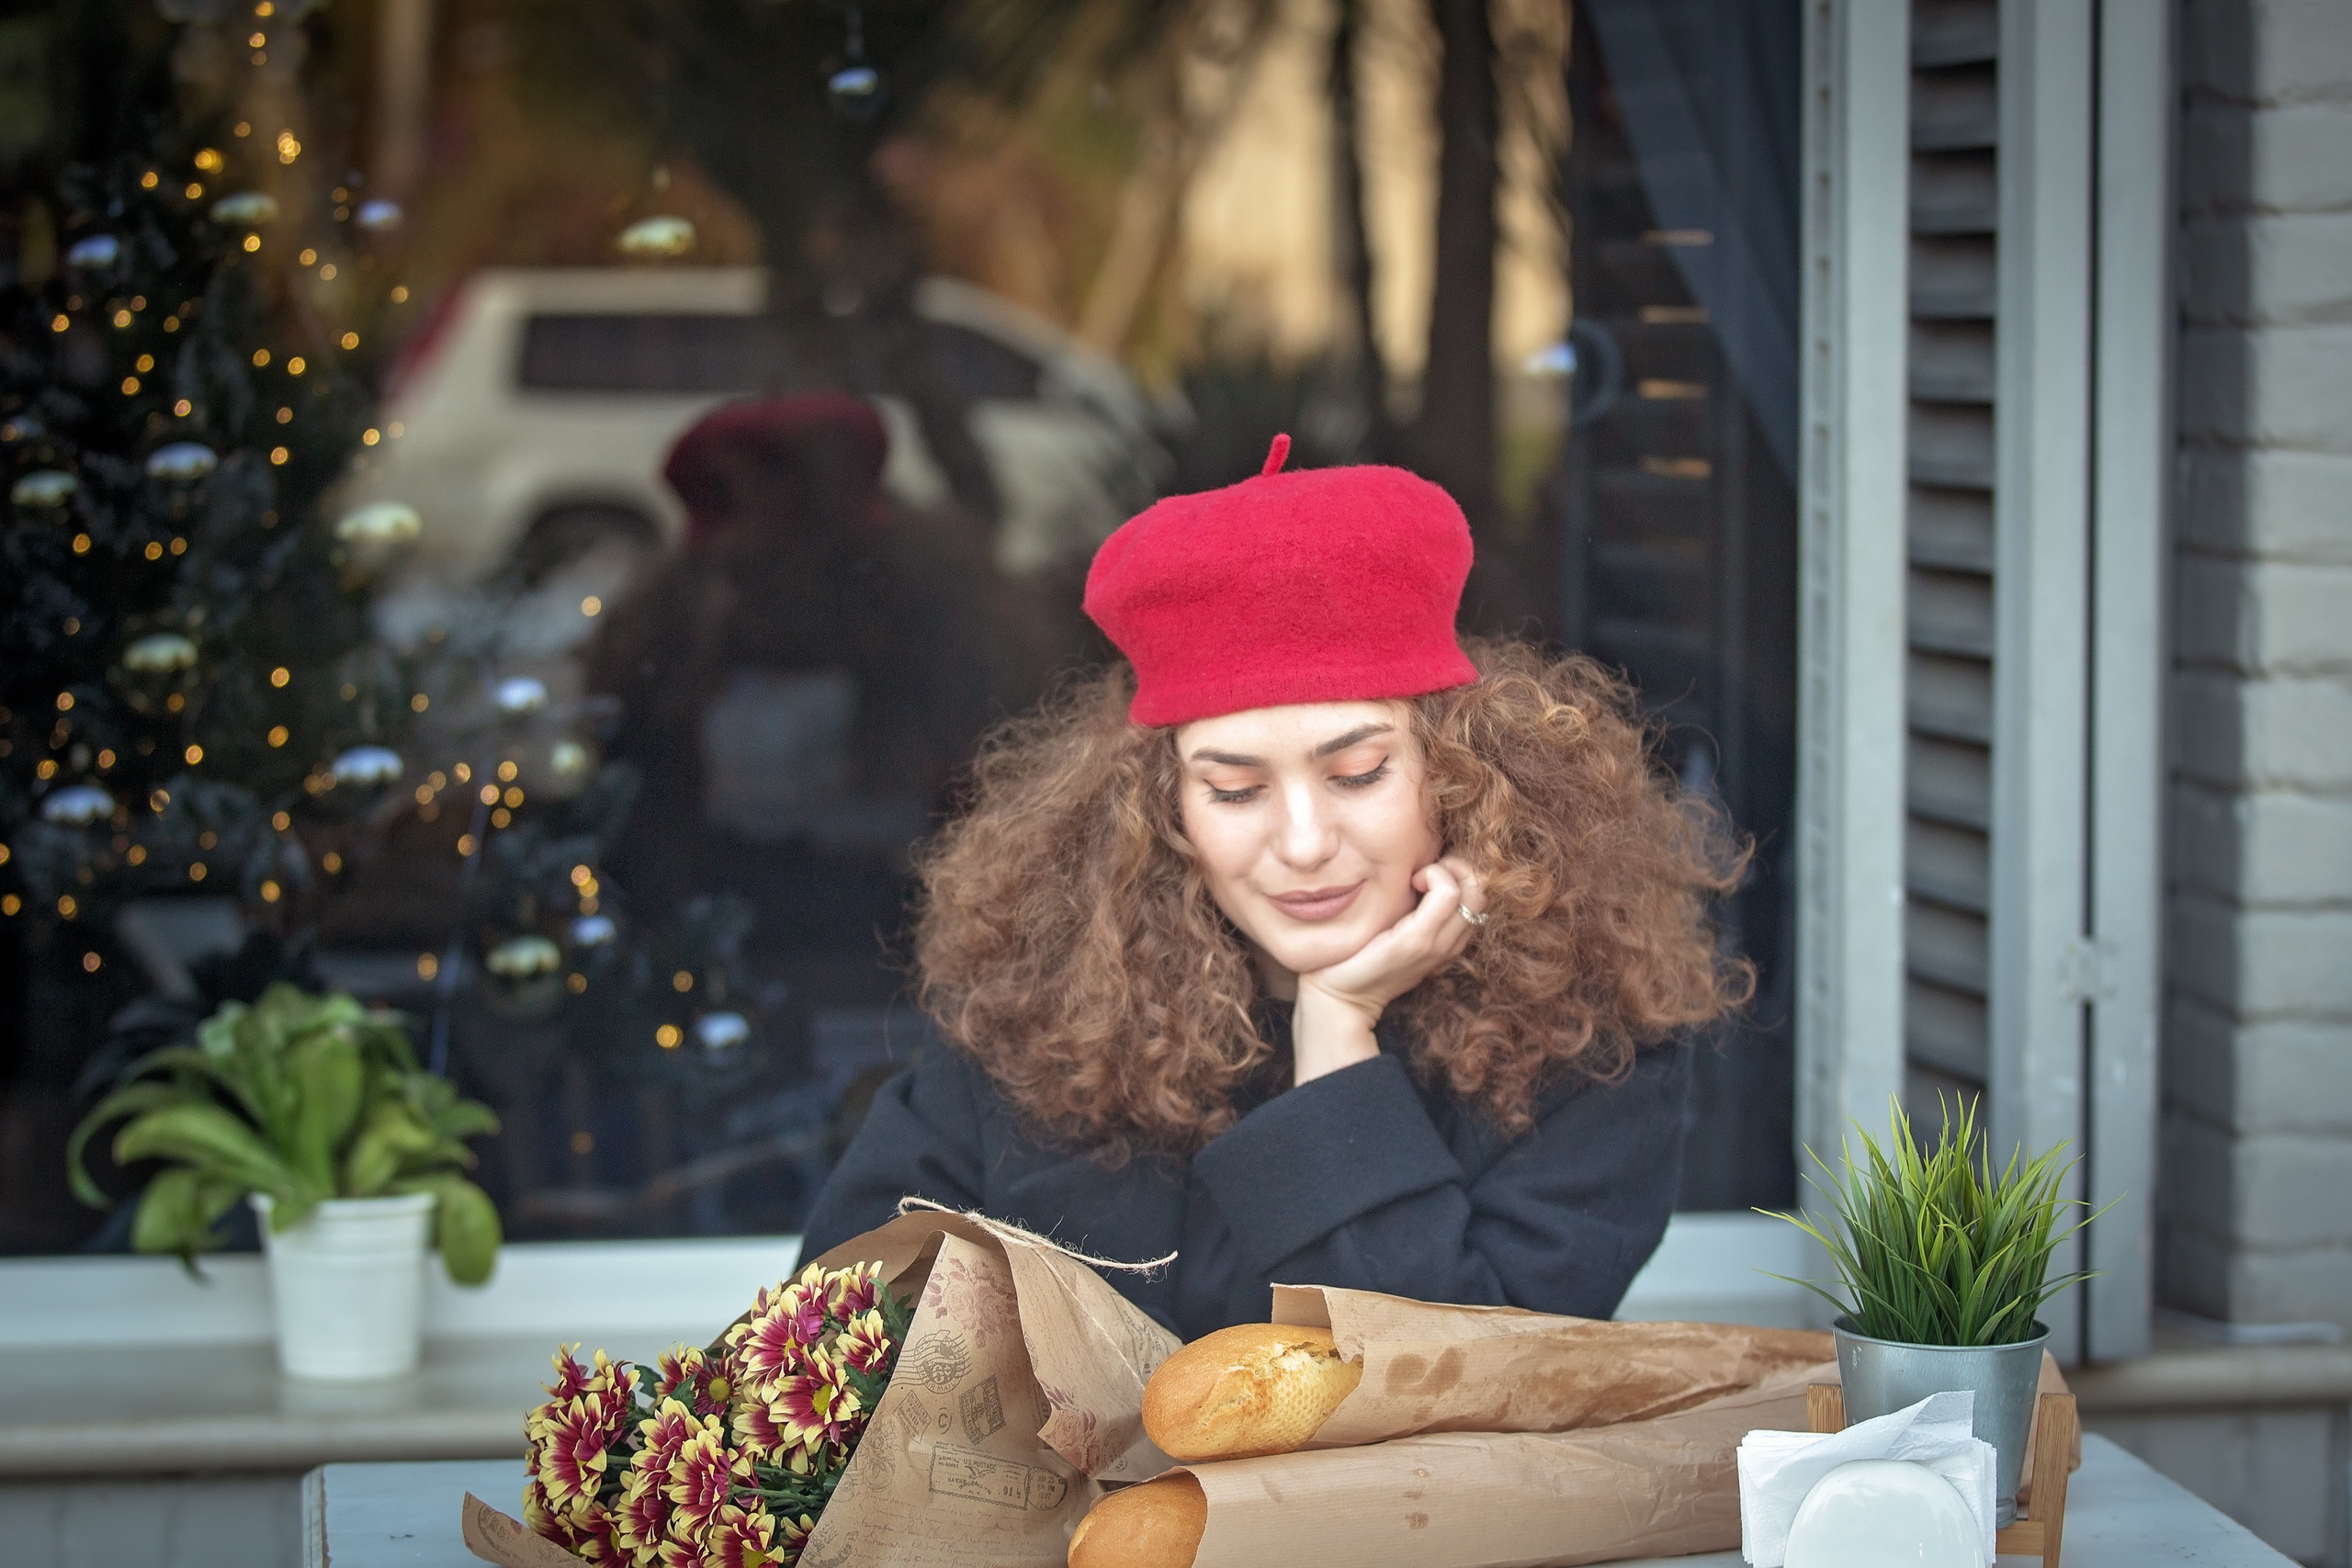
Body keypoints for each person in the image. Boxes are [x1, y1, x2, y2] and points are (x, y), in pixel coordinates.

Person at [797, 435, 1751, 1339]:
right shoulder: (1033, 1018)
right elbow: (824, 1350)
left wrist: (1336, 1032)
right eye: (1235, 788)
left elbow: (1476, 1389)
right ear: (1162, 807)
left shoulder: (1588, 1045)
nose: (1302, 843)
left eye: (1358, 773)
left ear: (1463, 773)